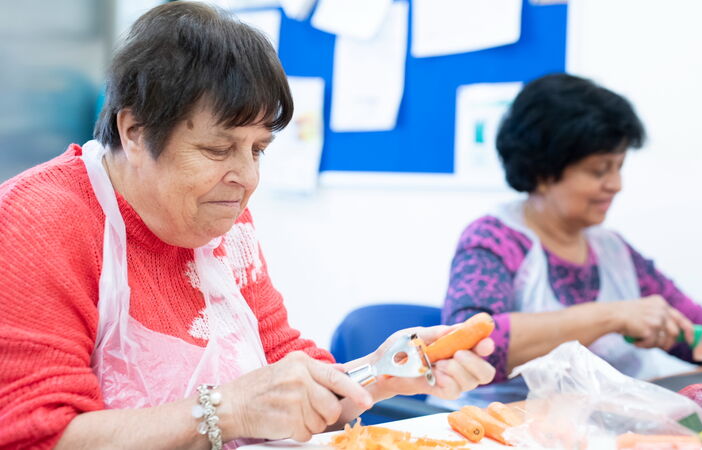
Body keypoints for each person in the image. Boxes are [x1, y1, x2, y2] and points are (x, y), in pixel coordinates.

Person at [0, 3, 495, 449]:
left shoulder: (224, 223)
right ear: (134, 132)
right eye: (218, 150)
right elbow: (36, 435)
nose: (247, 179)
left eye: (258, 150)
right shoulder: (40, 220)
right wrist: (226, 410)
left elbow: (280, 365)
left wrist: (384, 373)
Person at [439, 73, 702, 405]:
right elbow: (463, 345)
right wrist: (611, 316)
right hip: (504, 430)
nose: (616, 184)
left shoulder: (612, 249)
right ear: (543, 171)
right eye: (599, 170)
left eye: (619, 167)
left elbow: (689, 323)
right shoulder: (492, 240)